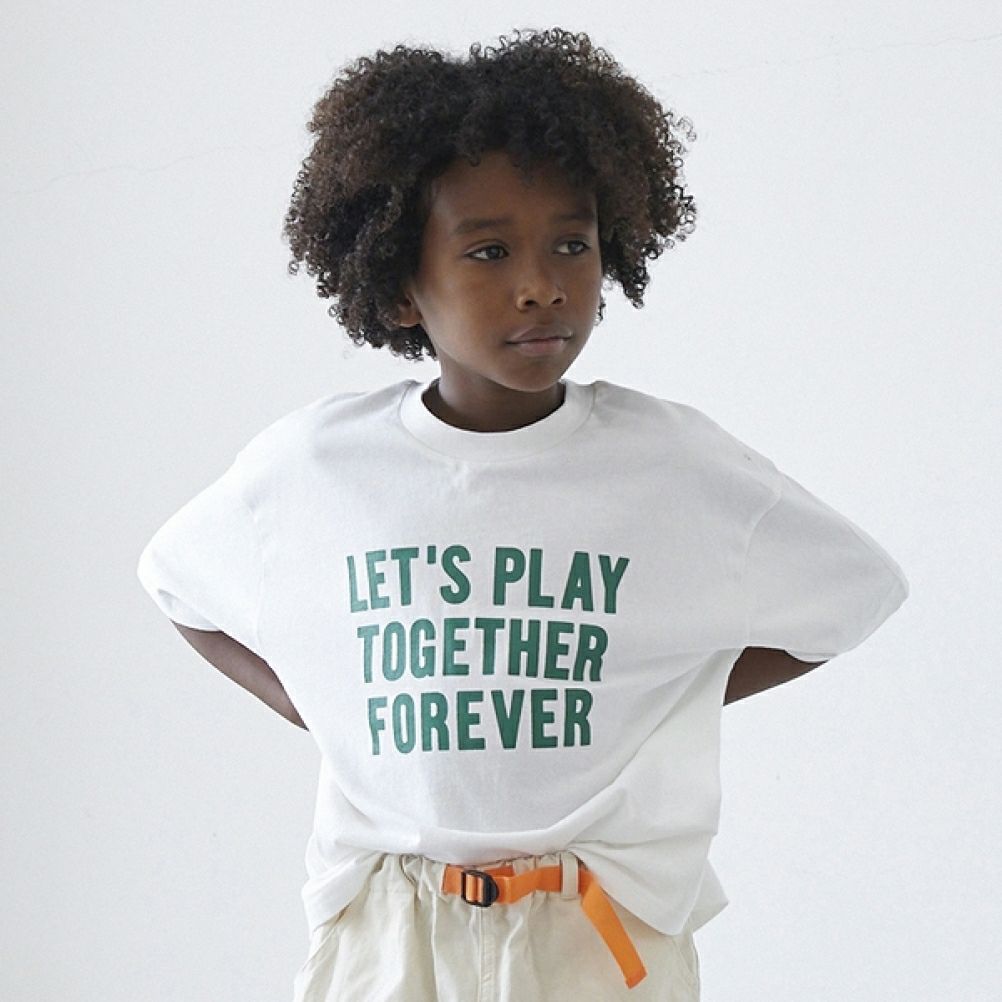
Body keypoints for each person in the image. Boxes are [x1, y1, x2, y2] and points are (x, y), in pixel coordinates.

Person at [136, 26, 910, 1002]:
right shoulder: (320, 466)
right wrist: (327, 705)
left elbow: (855, 595)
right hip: (390, 928)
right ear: (401, 286)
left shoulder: (669, 465)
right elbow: (178, 582)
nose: (541, 283)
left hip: (595, 932)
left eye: (571, 244)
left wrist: (656, 699)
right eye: (489, 251)